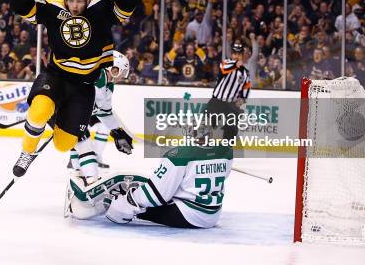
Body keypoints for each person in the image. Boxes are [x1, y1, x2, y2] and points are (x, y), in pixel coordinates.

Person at [10, 0, 136, 184]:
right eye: (72, 1)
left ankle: (55, 119)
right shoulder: (54, 8)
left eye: (80, 1)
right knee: (39, 111)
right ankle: (27, 152)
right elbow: (24, 10)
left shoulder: (101, 6)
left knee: (63, 145)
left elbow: (128, 7)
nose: (75, 6)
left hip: (83, 88)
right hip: (56, 77)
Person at [66, 127, 233, 229]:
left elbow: (156, 195)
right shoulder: (226, 152)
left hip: (189, 215)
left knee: (123, 202)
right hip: (213, 214)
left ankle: (83, 209)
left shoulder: (179, 155)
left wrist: (128, 200)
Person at [68, 50, 133, 170]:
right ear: (114, 69)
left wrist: (117, 132)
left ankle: (86, 161)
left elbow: (105, 112)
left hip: (82, 115)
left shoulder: (109, 84)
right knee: (81, 136)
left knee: (93, 132)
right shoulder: (98, 75)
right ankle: (76, 165)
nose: (123, 75)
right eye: (122, 71)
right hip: (71, 113)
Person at [206, 42, 251, 140]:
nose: (236, 56)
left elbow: (246, 87)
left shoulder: (245, 72)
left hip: (232, 104)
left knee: (232, 127)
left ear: (242, 55)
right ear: (231, 54)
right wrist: (236, 64)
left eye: (239, 54)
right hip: (217, 101)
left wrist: (242, 99)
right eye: (235, 53)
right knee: (207, 121)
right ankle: (202, 142)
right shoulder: (225, 64)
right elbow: (225, 68)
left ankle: (227, 147)